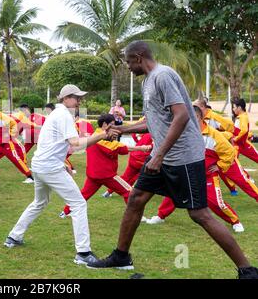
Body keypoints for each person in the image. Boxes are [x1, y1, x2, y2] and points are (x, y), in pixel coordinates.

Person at [86, 41, 258, 279]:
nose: (127, 66)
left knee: (199, 214)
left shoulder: (162, 76)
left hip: (183, 158)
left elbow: (182, 115)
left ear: (138, 57)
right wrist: (124, 129)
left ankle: (248, 271)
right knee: (136, 198)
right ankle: (121, 256)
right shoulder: (148, 81)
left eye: (127, 61)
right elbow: (155, 121)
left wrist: (158, 154)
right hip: (165, 157)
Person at [4, 84, 119, 266]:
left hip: (41, 166)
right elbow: (75, 143)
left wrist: (63, 162)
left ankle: (14, 236)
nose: (79, 100)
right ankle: (83, 253)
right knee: (79, 203)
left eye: (79, 97)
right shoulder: (64, 114)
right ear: (65, 98)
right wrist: (101, 135)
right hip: (49, 168)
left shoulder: (56, 114)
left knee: (39, 203)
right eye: (75, 97)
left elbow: (59, 144)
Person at [146, 106, 245, 233]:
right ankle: (160, 216)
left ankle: (235, 221)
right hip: (186, 172)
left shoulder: (213, 135)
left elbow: (229, 152)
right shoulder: (181, 132)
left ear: (200, 117)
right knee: (172, 195)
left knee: (216, 203)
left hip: (207, 175)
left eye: (193, 117)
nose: (189, 120)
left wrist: (220, 166)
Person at [60, 113, 151, 218]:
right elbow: (118, 148)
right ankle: (137, 216)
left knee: (83, 195)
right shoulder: (101, 137)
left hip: (93, 175)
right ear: (104, 124)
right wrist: (141, 148)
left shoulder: (95, 135)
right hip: (107, 175)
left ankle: (65, 212)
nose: (115, 128)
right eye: (112, 125)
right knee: (129, 192)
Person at [0, 101, 34, 184]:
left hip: (7, 143)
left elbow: (14, 124)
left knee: (16, 160)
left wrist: (11, 135)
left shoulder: (3, 117)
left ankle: (30, 177)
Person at [232, 98, 258, 163]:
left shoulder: (243, 117)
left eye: (234, 107)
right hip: (238, 145)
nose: (233, 109)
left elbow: (244, 130)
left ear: (239, 107)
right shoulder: (241, 116)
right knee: (232, 162)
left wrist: (235, 138)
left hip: (243, 144)